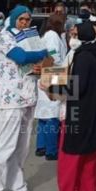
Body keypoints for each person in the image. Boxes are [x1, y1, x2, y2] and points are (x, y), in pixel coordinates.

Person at [0, 6, 49, 191]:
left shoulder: (30, 38)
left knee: (22, 146)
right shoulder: (5, 36)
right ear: (13, 19)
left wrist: (40, 59)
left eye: (28, 19)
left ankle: (17, 185)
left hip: (28, 96)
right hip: (10, 98)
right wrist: (42, 53)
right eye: (21, 19)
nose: (25, 22)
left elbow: (42, 61)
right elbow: (21, 57)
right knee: (5, 145)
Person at [50, 21, 96, 191]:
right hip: (94, 120)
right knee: (88, 169)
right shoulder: (94, 54)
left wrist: (49, 82)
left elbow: (76, 86)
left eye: (74, 34)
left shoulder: (83, 57)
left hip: (78, 118)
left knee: (68, 168)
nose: (70, 37)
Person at [35, 15, 67, 161]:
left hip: (45, 73)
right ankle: (51, 150)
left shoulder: (45, 35)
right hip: (54, 73)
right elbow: (54, 56)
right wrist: (63, 66)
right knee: (53, 115)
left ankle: (41, 146)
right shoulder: (54, 35)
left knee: (43, 115)